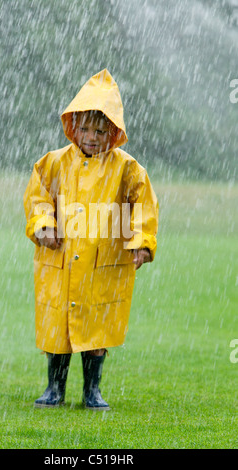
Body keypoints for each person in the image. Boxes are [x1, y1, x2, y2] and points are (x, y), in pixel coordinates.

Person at [23, 69, 159, 410]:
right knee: (58, 331)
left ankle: (92, 390)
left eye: (100, 131)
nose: (91, 137)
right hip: (61, 261)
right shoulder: (53, 163)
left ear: (113, 131)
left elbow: (143, 204)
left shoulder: (127, 169)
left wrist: (142, 243)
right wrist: (44, 225)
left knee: (97, 331)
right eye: (84, 128)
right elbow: (38, 198)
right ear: (72, 126)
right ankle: (54, 388)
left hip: (104, 267)